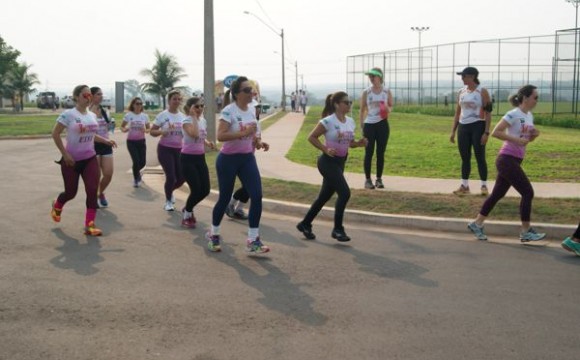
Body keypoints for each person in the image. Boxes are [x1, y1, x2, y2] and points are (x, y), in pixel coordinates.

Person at [467, 85, 546, 242]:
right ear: (525, 98)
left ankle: (477, 223)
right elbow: (497, 132)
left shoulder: (529, 115)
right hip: (506, 159)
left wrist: (534, 135)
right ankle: (525, 231)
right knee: (527, 192)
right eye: (535, 97)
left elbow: (525, 141)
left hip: (515, 159)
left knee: (497, 194)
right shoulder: (513, 114)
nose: (537, 100)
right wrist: (517, 139)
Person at [205, 76, 270, 254]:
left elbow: (251, 133)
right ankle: (214, 234)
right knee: (224, 198)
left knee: (256, 195)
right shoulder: (229, 111)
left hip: (247, 158)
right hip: (228, 160)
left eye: (252, 90)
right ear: (237, 94)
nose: (252, 93)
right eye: (247, 90)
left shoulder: (251, 110)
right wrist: (246, 132)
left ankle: (253, 239)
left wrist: (258, 142)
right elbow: (221, 136)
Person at [296, 91, 367, 242]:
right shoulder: (328, 121)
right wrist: (325, 149)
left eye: (350, 102)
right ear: (336, 104)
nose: (349, 105)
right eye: (346, 102)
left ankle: (305, 223)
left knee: (324, 197)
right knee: (345, 193)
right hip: (327, 162)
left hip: (340, 162)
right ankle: (338, 229)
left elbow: (350, 143)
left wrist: (359, 144)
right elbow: (311, 137)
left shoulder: (350, 121)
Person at [50, 85, 117, 236]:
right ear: (76, 97)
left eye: (89, 95)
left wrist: (105, 141)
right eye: (85, 94)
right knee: (71, 192)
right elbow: (55, 134)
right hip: (71, 161)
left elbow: (91, 134)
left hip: (89, 158)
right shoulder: (69, 115)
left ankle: (89, 225)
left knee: (92, 190)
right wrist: (65, 154)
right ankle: (58, 205)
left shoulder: (92, 116)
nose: (88, 97)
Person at [450, 67, 492, 196]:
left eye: (464, 76)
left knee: (480, 156)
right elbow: (458, 112)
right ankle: (464, 186)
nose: (462, 78)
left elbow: (488, 113)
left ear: (472, 76)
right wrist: (453, 131)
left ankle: (484, 186)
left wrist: (486, 132)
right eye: (461, 76)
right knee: (465, 157)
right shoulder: (461, 91)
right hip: (463, 127)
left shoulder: (482, 91)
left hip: (478, 126)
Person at [180, 96, 215, 228]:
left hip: (200, 158)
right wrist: (193, 117)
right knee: (195, 190)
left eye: (201, 106)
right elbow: (194, 134)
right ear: (190, 108)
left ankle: (188, 208)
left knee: (205, 190)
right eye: (196, 106)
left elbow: (201, 136)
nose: (200, 108)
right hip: (187, 159)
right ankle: (187, 215)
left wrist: (207, 142)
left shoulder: (203, 121)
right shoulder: (186, 121)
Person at [150, 90, 186, 211]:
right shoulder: (163, 115)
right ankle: (168, 201)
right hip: (165, 149)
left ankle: (170, 192)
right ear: (169, 101)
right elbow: (152, 131)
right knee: (171, 176)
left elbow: (187, 133)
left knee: (181, 178)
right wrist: (162, 132)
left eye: (178, 99)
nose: (176, 101)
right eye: (174, 99)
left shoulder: (183, 117)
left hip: (179, 150)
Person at [358, 68, 393, 189]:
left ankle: (379, 179)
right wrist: (362, 125)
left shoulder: (386, 91)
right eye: (370, 77)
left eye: (373, 76)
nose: (371, 79)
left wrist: (387, 109)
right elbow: (362, 110)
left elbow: (391, 106)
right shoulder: (366, 92)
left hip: (383, 124)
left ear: (380, 77)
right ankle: (368, 180)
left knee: (380, 153)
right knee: (369, 152)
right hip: (369, 125)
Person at [89, 86, 114, 208]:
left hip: (106, 144)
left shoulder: (105, 111)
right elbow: (88, 131)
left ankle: (100, 192)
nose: (101, 96)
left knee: (108, 174)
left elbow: (109, 127)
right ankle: (94, 197)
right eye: (98, 94)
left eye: (101, 94)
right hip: (93, 145)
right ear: (92, 96)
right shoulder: (87, 112)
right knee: (96, 175)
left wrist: (111, 124)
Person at [120, 97, 150, 187]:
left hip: (141, 141)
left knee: (143, 162)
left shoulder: (145, 116)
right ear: (133, 105)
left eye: (141, 104)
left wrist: (145, 130)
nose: (139, 105)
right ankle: (136, 179)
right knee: (136, 161)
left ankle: (138, 173)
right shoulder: (129, 115)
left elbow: (149, 129)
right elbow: (122, 127)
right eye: (137, 103)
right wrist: (125, 129)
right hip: (131, 142)